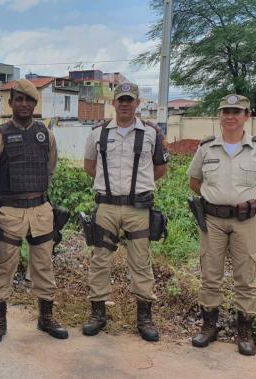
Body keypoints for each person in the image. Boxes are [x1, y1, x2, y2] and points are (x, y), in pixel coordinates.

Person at [187, 94, 256, 356]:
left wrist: (248, 199)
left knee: (246, 277)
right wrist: (215, 198)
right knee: (210, 275)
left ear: (247, 116)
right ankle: (209, 326)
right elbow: (194, 182)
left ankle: (244, 332)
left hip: (245, 221)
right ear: (219, 116)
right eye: (225, 111)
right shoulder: (206, 147)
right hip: (213, 221)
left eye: (236, 112)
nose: (230, 116)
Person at [0, 79, 68, 344]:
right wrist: (5, 197)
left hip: (41, 210)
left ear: (34, 104)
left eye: (29, 100)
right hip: (11, 212)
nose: (24, 104)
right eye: (18, 99)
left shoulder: (46, 135)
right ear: (10, 103)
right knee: (4, 266)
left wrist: (36, 194)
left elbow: (50, 169)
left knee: (44, 265)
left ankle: (46, 317)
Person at [81, 82, 169, 342]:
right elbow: (89, 166)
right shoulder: (97, 133)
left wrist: (139, 186)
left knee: (141, 262)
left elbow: (160, 168)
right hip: (106, 206)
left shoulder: (152, 133)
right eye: (121, 100)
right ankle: (98, 313)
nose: (125, 104)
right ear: (114, 103)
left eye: (130, 100)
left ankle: (144, 318)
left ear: (138, 103)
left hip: (138, 208)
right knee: (100, 260)